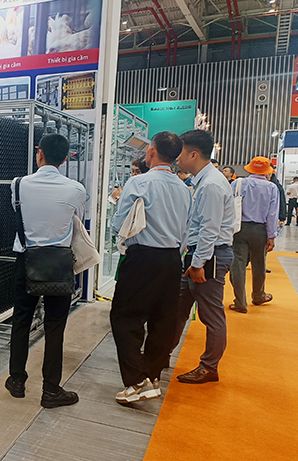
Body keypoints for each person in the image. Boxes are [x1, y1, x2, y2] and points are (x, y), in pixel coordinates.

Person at [5, 134, 86, 408]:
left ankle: (16, 380)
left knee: (21, 320)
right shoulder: (76, 189)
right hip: (59, 264)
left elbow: (18, 215)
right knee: (55, 326)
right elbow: (77, 221)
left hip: (26, 260)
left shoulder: (18, 185)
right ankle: (51, 390)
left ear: (39, 153)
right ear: (65, 158)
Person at [110, 131, 191, 404]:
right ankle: (152, 376)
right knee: (163, 320)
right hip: (172, 260)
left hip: (143, 257)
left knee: (125, 318)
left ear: (152, 152)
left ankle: (136, 381)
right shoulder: (184, 188)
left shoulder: (139, 182)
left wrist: (117, 201)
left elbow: (119, 225)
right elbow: (187, 230)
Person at [171, 130, 235, 384]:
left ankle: (209, 367)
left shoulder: (211, 185)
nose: (177, 158)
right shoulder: (202, 181)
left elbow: (210, 229)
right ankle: (161, 353)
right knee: (178, 307)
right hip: (200, 254)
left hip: (210, 256)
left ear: (193, 154)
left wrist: (199, 263)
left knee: (211, 314)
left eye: (180, 153)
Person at [228, 157, 279, 313]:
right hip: (260, 230)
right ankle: (258, 296)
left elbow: (229, 206)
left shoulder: (238, 183)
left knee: (238, 264)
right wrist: (271, 236)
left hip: (239, 228)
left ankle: (240, 301)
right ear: (267, 172)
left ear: (250, 168)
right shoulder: (272, 188)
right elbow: (272, 214)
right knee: (259, 264)